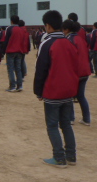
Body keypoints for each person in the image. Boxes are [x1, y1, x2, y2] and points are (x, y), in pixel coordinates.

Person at [34, 10, 79, 168]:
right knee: (66, 124)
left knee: (52, 125)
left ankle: (59, 158)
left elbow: (41, 70)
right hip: (68, 90)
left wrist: (38, 91)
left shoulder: (47, 43)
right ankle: (71, 156)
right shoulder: (69, 43)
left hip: (53, 90)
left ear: (47, 25)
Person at [64, 20, 92, 126]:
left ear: (66, 30)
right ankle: (86, 119)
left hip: (75, 72)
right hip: (85, 71)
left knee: (69, 96)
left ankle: (70, 118)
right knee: (81, 96)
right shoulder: (80, 39)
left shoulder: (68, 40)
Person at [0, 15, 27, 92]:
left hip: (11, 51)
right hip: (19, 51)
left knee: (10, 69)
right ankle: (20, 85)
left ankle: (12, 86)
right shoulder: (21, 30)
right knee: (18, 69)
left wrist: (3, 51)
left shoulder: (9, 29)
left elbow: (6, 40)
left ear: (11, 21)